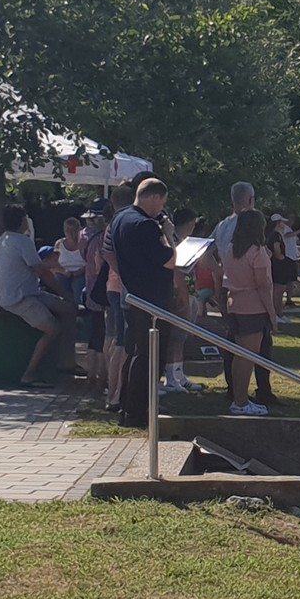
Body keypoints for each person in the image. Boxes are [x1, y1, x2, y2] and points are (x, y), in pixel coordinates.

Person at [109, 178, 176, 427]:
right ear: (155, 197)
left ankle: (126, 406)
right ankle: (137, 412)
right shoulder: (146, 226)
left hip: (132, 297)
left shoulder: (120, 217)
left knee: (134, 354)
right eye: (162, 203)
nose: (162, 208)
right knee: (150, 358)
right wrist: (168, 235)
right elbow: (170, 260)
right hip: (152, 301)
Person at [0, 204, 77, 385]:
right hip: (19, 299)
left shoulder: (3, 239)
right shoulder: (22, 241)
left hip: (31, 293)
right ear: (22, 220)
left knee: (69, 310)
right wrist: (63, 293)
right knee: (53, 329)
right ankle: (29, 374)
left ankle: (67, 362)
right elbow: (42, 272)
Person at [211, 182, 279, 405]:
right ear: (250, 200)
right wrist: (273, 313)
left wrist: (221, 277)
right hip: (253, 304)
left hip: (232, 295)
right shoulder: (256, 251)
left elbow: (208, 254)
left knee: (234, 350)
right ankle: (247, 398)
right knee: (253, 353)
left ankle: (234, 392)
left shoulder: (225, 233)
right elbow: (262, 285)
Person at [101, 183, 135, 411]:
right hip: (121, 287)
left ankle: (112, 390)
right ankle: (115, 393)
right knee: (121, 344)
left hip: (113, 287)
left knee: (114, 340)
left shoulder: (112, 224)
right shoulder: (123, 223)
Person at [162, 209, 202, 394]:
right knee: (175, 337)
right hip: (178, 294)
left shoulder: (184, 241)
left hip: (189, 292)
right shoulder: (171, 241)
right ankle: (171, 377)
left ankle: (179, 375)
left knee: (182, 338)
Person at [79, 198, 112, 393]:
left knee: (94, 332)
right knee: (104, 333)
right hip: (103, 288)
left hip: (90, 287)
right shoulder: (102, 238)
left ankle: (91, 373)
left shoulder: (84, 235)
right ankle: (102, 376)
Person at [55, 215, 87, 305]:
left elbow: (91, 262)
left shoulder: (84, 243)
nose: (70, 233)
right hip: (63, 273)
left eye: (73, 230)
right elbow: (53, 263)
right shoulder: (59, 244)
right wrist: (63, 271)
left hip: (81, 272)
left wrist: (81, 271)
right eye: (67, 230)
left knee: (78, 287)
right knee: (61, 285)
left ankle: (80, 308)